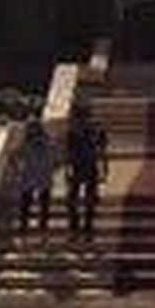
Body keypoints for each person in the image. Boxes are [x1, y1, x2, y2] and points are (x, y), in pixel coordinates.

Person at [65, 102, 108, 238]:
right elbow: (102, 150)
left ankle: (77, 227)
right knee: (86, 198)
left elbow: (68, 152)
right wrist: (104, 167)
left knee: (75, 199)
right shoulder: (95, 129)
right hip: (87, 166)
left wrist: (68, 168)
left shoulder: (74, 131)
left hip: (80, 166)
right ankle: (85, 227)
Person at [16, 118, 54, 237]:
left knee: (37, 202)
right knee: (28, 202)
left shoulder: (42, 141)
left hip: (37, 175)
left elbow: (51, 157)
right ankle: (28, 225)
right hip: (33, 175)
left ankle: (37, 225)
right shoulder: (31, 142)